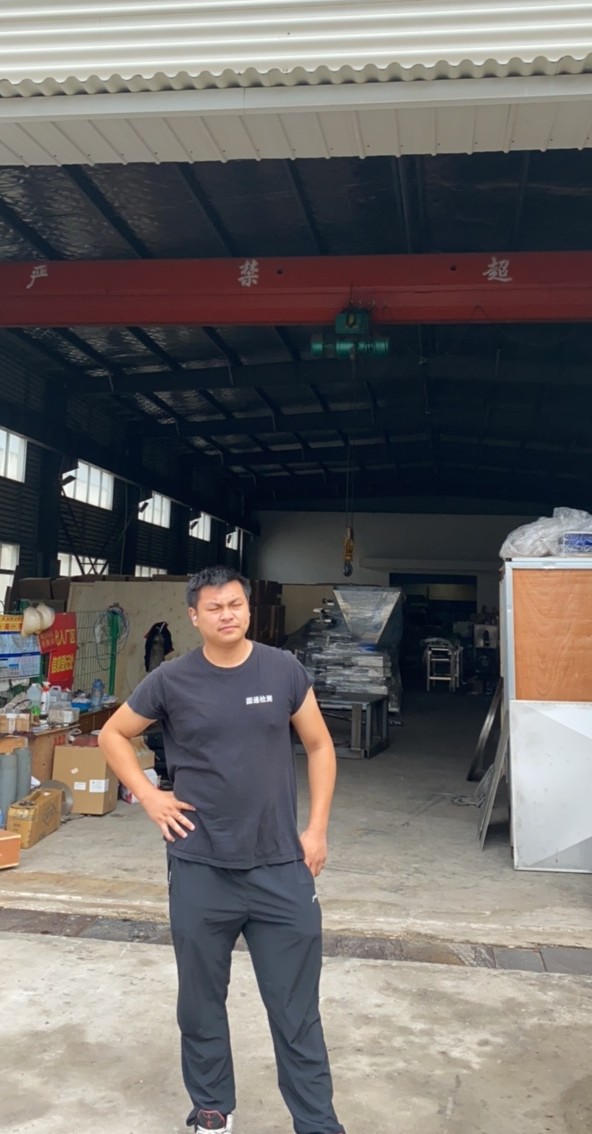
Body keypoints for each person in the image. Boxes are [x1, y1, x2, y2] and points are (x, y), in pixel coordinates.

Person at [99, 566, 346, 1134]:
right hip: (200, 866)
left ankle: (317, 1122)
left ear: (248, 609)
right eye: (214, 607)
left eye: (235, 604)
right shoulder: (171, 679)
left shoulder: (283, 670)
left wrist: (316, 830)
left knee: (295, 1007)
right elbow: (113, 734)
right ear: (194, 616)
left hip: (280, 866)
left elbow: (319, 745)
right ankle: (211, 1108)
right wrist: (150, 795)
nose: (227, 614)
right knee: (201, 1000)